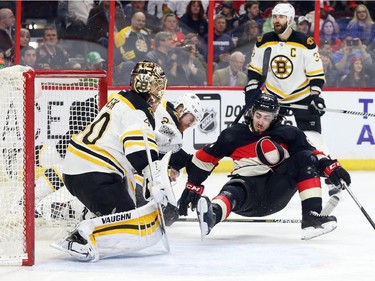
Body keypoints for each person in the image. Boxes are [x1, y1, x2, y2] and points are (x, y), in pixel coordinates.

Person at [178, 93, 351, 240]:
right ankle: (211, 215)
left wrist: (331, 167)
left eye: (267, 118)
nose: (261, 121)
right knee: (232, 192)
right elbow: (204, 158)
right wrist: (193, 184)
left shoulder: (288, 134)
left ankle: (311, 217)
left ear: (275, 117)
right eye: (258, 115)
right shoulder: (234, 134)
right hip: (246, 190)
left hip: (275, 191)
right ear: (252, 112)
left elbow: (313, 155)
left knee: (305, 158)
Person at [51, 61, 174, 262]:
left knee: (125, 210)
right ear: (144, 84)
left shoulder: (121, 98)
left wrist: (153, 139)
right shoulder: (137, 110)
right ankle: (81, 236)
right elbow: (138, 157)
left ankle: (91, 220)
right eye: (156, 84)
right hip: (94, 173)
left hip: (81, 169)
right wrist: (156, 183)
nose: (160, 89)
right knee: (132, 226)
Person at [245, 3, 328, 156]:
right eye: (275, 16)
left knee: (314, 140)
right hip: (273, 98)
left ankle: (326, 166)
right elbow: (255, 70)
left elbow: (316, 75)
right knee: (267, 139)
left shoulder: (305, 42)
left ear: (289, 20)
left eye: (281, 17)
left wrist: (315, 96)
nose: (277, 20)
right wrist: (251, 87)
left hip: (302, 96)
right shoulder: (263, 41)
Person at [153, 93, 204, 226]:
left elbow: (163, 152)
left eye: (194, 122)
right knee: (170, 214)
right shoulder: (165, 117)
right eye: (191, 119)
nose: (191, 124)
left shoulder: (171, 120)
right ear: (181, 109)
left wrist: (172, 167)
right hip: (132, 164)